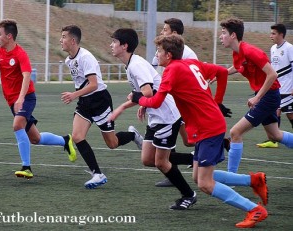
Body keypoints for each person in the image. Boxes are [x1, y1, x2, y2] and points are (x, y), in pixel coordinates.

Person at [131, 34, 269, 228]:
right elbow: (221, 72)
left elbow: (156, 101)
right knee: (199, 177)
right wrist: (217, 101)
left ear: (169, 55)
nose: (157, 54)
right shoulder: (190, 64)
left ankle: (254, 209)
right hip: (208, 125)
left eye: (159, 51)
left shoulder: (172, 71)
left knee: (204, 183)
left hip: (209, 127)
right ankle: (254, 180)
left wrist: (139, 99)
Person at [0, 19, 76, 179]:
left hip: (26, 99)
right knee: (36, 138)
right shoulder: (0, 51)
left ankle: (26, 167)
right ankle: (65, 140)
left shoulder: (20, 54)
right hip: (13, 101)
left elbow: (26, 75)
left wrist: (21, 98)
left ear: (9, 36)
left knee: (17, 126)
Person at [109, 28, 197, 210]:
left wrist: (122, 108)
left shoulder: (136, 65)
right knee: (148, 159)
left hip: (166, 116)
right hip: (156, 115)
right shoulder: (131, 64)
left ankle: (188, 195)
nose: (111, 45)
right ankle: (195, 158)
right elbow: (149, 91)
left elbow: (147, 92)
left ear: (124, 46)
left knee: (161, 162)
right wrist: (142, 103)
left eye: (114, 42)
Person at [59, 25, 143, 189]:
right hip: (84, 103)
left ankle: (132, 135)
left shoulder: (86, 57)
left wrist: (74, 94)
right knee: (77, 136)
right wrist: (78, 95)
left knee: (112, 143)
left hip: (100, 101)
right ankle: (97, 174)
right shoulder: (69, 60)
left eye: (63, 37)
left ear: (73, 40)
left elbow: (93, 85)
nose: (61, 41)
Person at [153, 18, 231, 187]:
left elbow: (200, 86)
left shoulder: (184, 58)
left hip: (198, 116)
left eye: (165, 29)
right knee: (195, 167)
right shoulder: (174, 58)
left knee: (200, 177)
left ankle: (253, 207)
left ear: (174, 34)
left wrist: (215, 103)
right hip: (198, 115)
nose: (162, 32)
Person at [219, 18, 293, 174]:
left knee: (235, 132)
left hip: (269, 96)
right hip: (267, 95)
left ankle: (231, 177)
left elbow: (272, 74)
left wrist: (257, 98)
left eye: (223, 33)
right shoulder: (237, 52)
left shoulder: (251, 51)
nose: (220, 36)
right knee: (275, 135)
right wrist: (220, 73)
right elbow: (238, 67)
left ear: (233, 35)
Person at [256, 23, 293, 148]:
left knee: (290, 114)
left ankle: (275, 139)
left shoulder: (289, 48)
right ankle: (274, 140)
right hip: (277, 87)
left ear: (281, 34)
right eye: (271, 33)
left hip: (288, 88)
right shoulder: (273, 48)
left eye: (273, 33)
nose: (270, 36)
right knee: (276, 111)